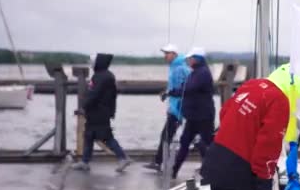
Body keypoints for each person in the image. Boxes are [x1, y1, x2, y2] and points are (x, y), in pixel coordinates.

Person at [201, 68, 297, 190]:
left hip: (217, 160)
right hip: (242, 173)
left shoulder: (250, 85)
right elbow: (268, 144)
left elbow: (224, 112)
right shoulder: (279, 100)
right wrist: (265, 187)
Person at [72, 53, 133, 172]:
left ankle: (123, 158)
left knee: (107, 137)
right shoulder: (106, 75)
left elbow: (93, 94)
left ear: (98, 62)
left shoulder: (100, 77)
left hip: (99, 112)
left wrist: (84, 107)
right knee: (89, 135)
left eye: (92, 62)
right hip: (99, 111)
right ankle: (85, 161)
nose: (91, 64)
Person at [168, 47, 215, 179]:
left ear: (197, 59)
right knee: (184, 143)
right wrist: (171, 92)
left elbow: (189, 88)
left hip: (203, 116)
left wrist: (175, 91)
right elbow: (185, 88)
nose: (187, 61)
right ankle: (173, 171)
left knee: (207, 143)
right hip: (193, 116)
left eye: (189, 58)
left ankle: (211, 170)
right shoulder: (195, 72)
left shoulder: (202, 73)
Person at [144, 44, 190, 172]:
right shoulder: (175, 67)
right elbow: (175, 88)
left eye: (167, 53)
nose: (165, 56)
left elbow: (183, 89)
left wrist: (170, 94)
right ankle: (159, 162)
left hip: (179, 109)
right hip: (175, 108)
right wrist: (167, 93)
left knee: (167, 136)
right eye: (164, 53)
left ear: (174, 54)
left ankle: (159, 163)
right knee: (168, 136)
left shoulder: (180, 68)